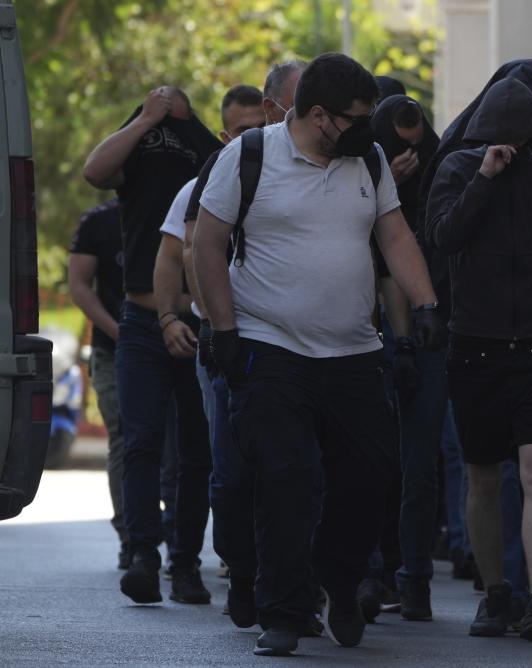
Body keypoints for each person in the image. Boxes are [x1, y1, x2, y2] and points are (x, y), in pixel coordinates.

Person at [193, 53, 444, 657]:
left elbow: (394, 234)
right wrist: (223, 329)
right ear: (321, 116)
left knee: (372, 474)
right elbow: (206, 242)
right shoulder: (249, 155)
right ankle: (284, 610)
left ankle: (337, 572)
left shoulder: (371, 160)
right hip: (268, 344)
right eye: (359, 119)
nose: (369, 129)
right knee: (286, 477)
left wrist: (426, 302)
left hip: (354, 351)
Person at [425, 78, 532, 642]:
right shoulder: (457, 171)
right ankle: (496, 593)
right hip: (475, 346)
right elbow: (443, 237)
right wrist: (483, 179)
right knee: (482, 476)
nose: (510, 146)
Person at [82, 86, 220, 605]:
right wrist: (145, 118)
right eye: (154, 97)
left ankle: (185, 564)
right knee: (141, 441)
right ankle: (143, 553)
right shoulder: (134, 142)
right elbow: (95, 172)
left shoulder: (208, 148)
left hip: (198, 320)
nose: (163, 97)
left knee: (194, 452)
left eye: (170, 96)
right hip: (141, 320)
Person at [156, 84, 266, 628]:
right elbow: (175, 257)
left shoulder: (283, 179)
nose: (254, 137)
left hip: (284, 345)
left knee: (288, 466)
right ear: (225, 135)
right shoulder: (199, 188)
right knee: (220, 464)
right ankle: (219, 566)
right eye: (243, 131)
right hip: (221, 344)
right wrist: (175, 317)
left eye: (261, 124)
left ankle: (290, 579)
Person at [364, 93, 444, 622]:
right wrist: (383, 183)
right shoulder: (358, 177)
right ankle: (368, 573)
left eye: (417, 148)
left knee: (419, 465)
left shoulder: (439, 180)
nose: (409, 158)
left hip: (428, 332)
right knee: (366, 462)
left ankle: (412, 577)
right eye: (398, 148)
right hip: (364, 337)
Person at [67, 199, 128, 567]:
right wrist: (118, 331)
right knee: (123, 436)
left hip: (177, 348)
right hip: (113, 348)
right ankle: (133, 538)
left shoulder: (180, 205)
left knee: (178, 449)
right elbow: (78, 284)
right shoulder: (99, 221)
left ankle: (180, 548)